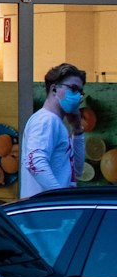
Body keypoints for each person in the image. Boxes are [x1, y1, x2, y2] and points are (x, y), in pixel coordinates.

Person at [22, 63, 86, 199]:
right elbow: (35, 163)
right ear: (54, 89)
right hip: (46, 213)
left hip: (53, 212)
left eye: (80, 92)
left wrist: (77, 129)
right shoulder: (46, 120)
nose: (78, 96)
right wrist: (59, 198)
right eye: (73, 89)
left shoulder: (55, 122)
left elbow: (78, 171)